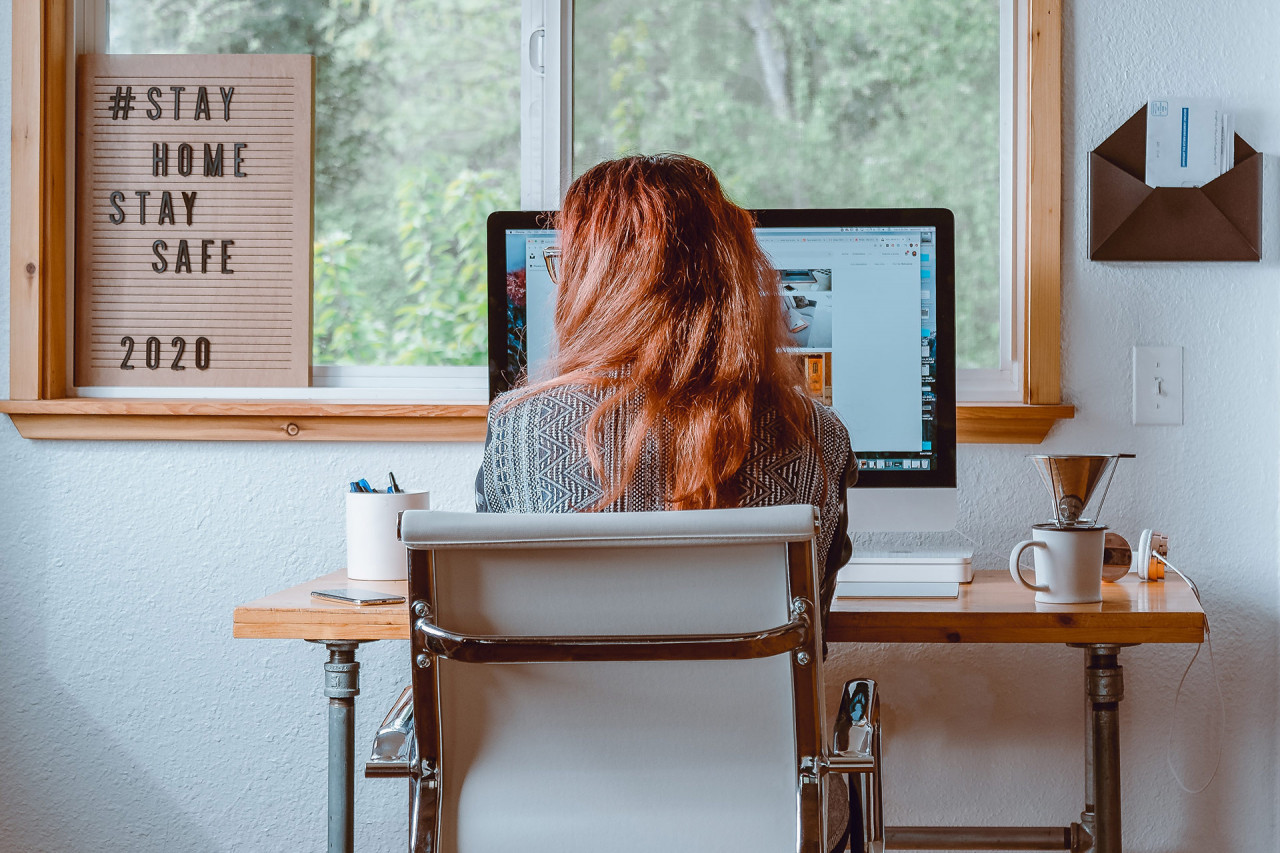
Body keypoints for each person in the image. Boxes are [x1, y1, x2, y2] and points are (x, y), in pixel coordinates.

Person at [475, 153, 858, 850]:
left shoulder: (519, 427)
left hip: (554, 807)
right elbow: (814, 626)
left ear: (596, 283)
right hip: (760, 813)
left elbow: (498, 623)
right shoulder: (818, 434)